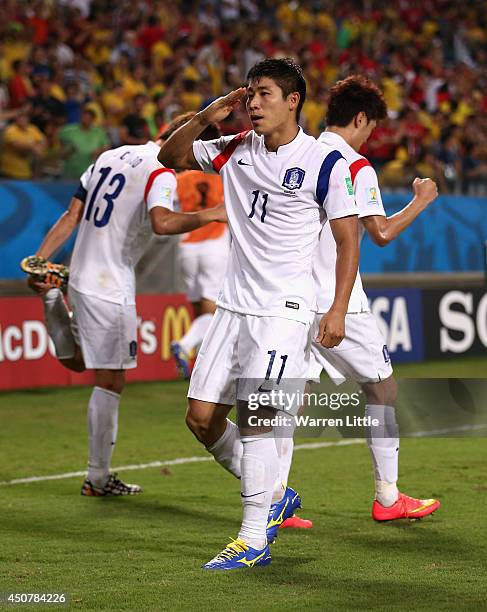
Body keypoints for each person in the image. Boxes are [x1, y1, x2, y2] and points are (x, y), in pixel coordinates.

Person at [158, 58, 360, 570]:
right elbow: (169, 155)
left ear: (294, 100)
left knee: (257, 418)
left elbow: (346, 237)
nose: (253, 103)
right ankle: (273, 496)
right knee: (201, 419)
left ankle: (252, 540)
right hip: (233, 305)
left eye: (264, 93)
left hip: (284, 309)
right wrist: (209, 115)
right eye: (249, 94)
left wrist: (336, 308)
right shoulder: (234, 148)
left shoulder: (323, 162)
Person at [23, 135, 227, 497]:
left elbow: (72, 215)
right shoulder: (163, 170)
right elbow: (162, 222)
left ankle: (53, 296)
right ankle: (98, 478)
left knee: (83, 363)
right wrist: (211, 214)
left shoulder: (109, 156)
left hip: (82, 273)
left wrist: (39, 260)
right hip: (110, 285)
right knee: (110, 379)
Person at [284, 75, 441, 522]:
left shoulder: (300, 151)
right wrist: (421, 200)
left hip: (293, 297)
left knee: (295, 398)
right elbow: (382, 233)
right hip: (339, 300)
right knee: (382, 389)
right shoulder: (353, 164)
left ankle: (274, 497)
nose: (370, 135)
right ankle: (388, 498)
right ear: (359, 118)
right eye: (371, 126)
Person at [161, 112, 229, 379]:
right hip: (214, 244)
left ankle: (200, 361)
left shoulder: (179, 179)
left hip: (187, 246)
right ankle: (186, 345)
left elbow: (172, 208)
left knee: (198, 309)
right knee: (212, 312)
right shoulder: (222, 173)